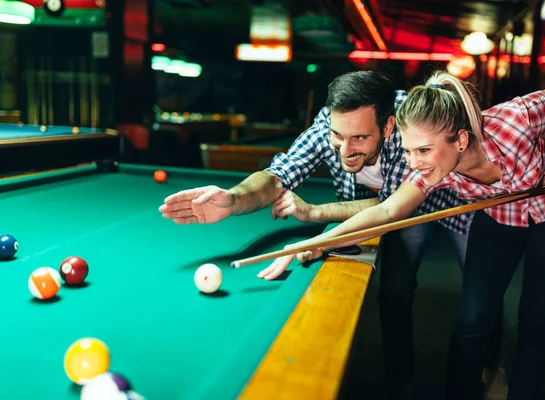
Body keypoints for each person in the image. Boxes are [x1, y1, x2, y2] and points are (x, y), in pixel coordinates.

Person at [265, 71, 545, 400]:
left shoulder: (514, 120)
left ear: (462, 140)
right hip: (498, 218)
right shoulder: (430, 168)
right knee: (472, 320)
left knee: (536, 321)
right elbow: (386, 211)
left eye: (423, 151)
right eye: (408, 151)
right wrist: (313, 242)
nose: (414, 162)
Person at [159, 71, 480, 398]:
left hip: (456, 199)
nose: (344, 150)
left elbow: (390, 206)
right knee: (396, 292)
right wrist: (235, 199)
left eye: (358, 139)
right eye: (338, 136)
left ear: (386, 127)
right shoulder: (328, 129)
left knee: (481, 293)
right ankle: (402, 382)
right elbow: (277, 176)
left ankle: (483, 372)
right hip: (399, 207)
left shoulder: (410, 126)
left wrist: (314, 214)